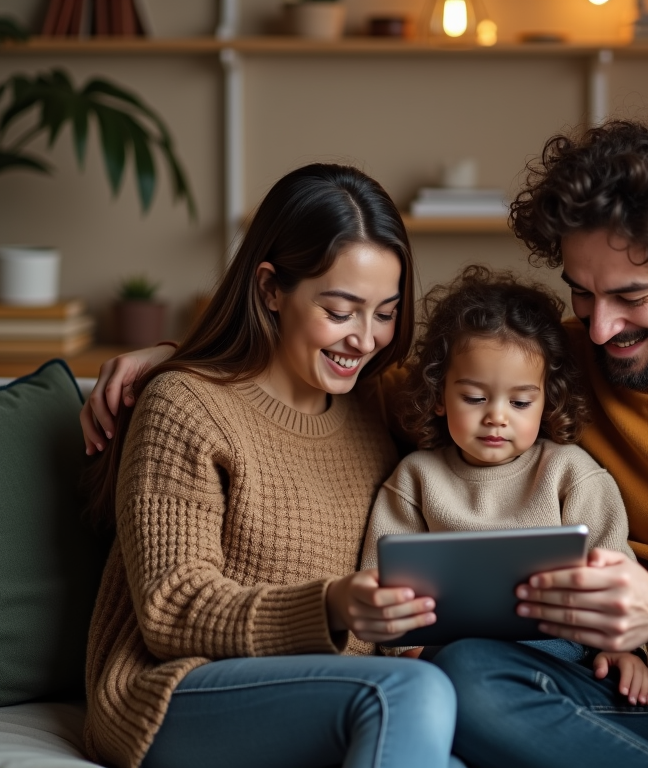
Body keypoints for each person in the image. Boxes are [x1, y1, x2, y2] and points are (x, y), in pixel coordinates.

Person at [82, 114, 648, 768]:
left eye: (632, 299)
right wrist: (193, 355)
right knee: (469, 676)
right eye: (581, 294)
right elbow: (356, 373)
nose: (599, 331)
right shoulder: (551, 364)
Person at [80, 164, 460, 768]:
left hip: (327, 695)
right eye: (341, 311)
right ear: (270, 290)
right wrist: (331, 605)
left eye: (385, 312)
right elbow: (171, 608)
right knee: (409, 697)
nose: (366, 339)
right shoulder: (185, 406)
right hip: (173, 692)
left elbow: (502, 386)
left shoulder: (378, 402)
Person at [359, 266, 648, 704]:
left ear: (547, 399)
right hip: (447, 653)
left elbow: (616, 568)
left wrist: (626, 648)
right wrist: (408, 651)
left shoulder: (570, 473)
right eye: (475, 398)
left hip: (558, 653)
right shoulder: (415, 478)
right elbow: (380, 580)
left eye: (519, 402)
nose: (497, 416)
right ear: (439, 396)